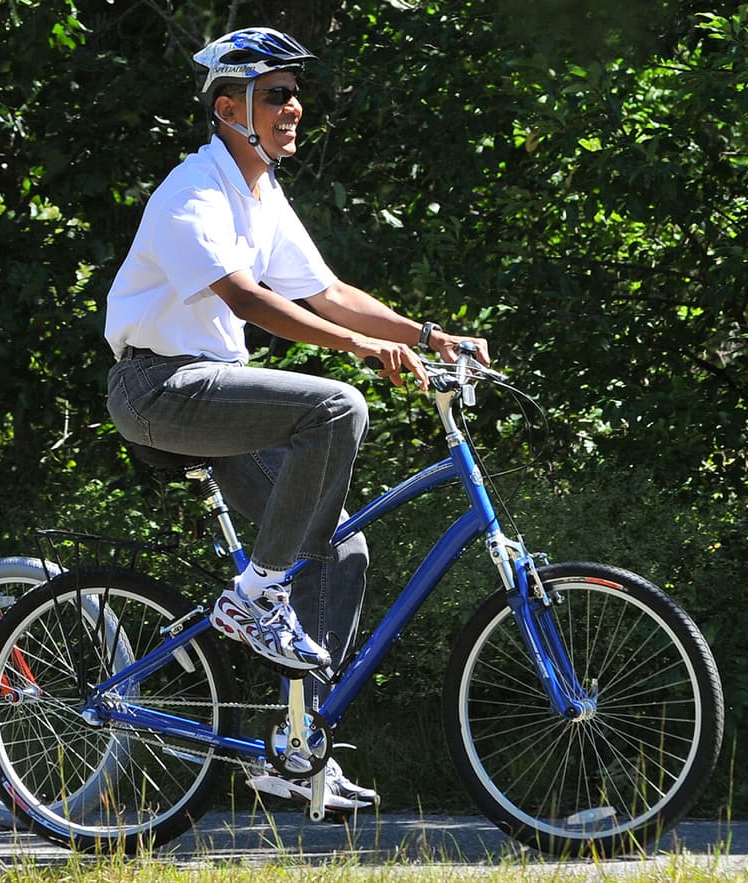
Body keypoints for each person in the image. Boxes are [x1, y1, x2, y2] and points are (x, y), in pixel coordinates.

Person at [103, 28, 491, 813]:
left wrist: (426, 335)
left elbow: (328, 292)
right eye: (276, 93)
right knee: (336, 404)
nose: (294, 107)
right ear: (228, 108)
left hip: (218, 394)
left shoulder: (261, 194)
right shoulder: (194, 190)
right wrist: (354, 349)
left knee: (341, 546)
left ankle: (296, 749)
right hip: (157, 388)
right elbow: (246, 299)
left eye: (295, 94)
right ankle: (254, 598)